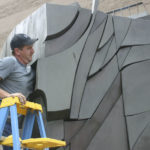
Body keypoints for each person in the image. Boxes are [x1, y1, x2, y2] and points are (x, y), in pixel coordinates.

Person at [0, 33, 38, 150]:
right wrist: (9, 96)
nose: (33, 51)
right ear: (17, 51)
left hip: (15, 123)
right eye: (28, 48)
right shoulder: (10, 62)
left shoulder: (29, 69)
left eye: (32, 47)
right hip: (4, 120)